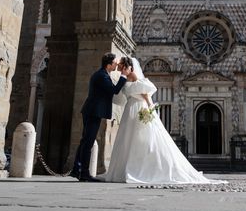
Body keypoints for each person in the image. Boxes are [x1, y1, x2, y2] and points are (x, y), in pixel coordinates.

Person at [102, 57, 224, 184]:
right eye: (119, 65)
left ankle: (139, 169)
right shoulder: (124, 77)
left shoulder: (133, 75)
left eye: (121, 65)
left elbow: (144, 92)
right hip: (130, 108)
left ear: (128, 66)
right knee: (128, 138)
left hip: (138, 107)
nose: (120, 67)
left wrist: (150, 107)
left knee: (141, 138)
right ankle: (126, 169)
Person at [70, 53, 131, 182]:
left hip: (92, 111)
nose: (116, 64)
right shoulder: (102, 76)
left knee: (85, 141)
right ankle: (84, 173)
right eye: (115, 63)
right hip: (93, 112)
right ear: (109, 64)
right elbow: (113, 90)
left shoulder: (102, 74)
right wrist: (124, 76)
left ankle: (77, 169)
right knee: (88, 142)